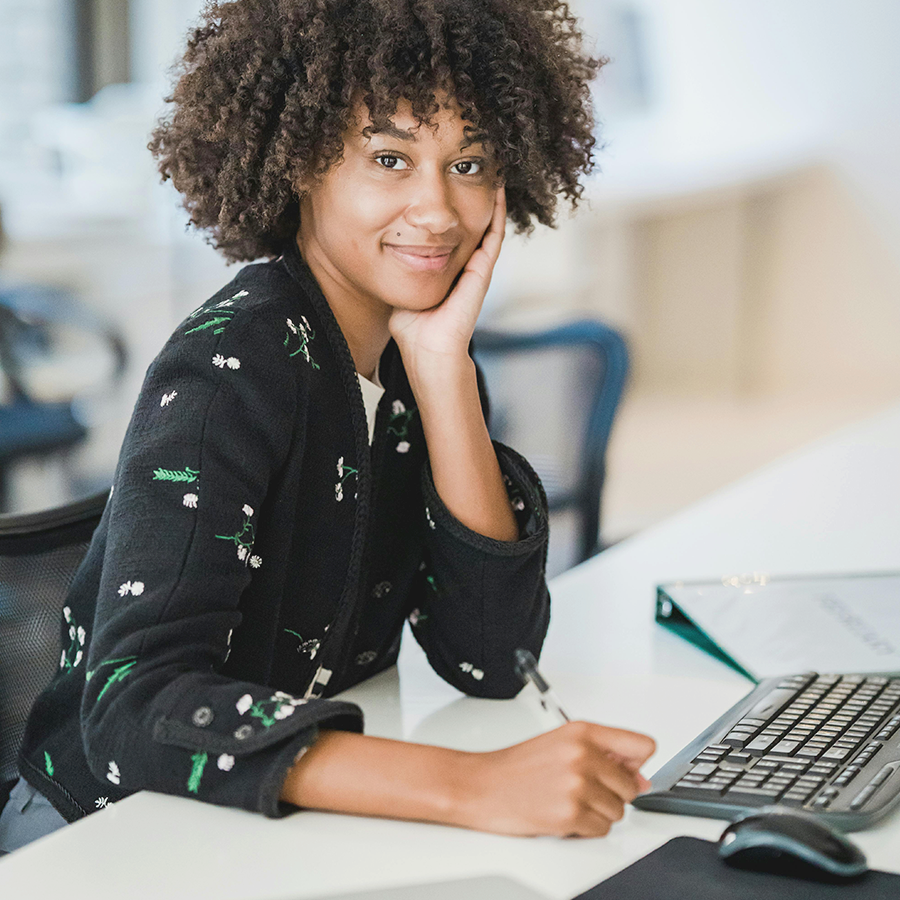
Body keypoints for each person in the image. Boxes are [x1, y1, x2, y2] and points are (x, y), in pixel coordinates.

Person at [0, 0, 655, 855]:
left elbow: (491, 659)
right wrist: (470, 785)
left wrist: (445, 374)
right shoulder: (231, 367)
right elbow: (132, 709)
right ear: (299, 162)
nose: (437, 211)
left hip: (276, 822)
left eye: (470, 162)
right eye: (390, 158)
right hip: (98, 837)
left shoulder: (424, 364)